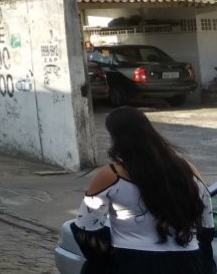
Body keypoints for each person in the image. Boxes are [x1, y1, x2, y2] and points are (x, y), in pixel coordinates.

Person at [72, 106, 214, 274]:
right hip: (187, 262)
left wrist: (108, 259)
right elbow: (206, 224)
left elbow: (85, 228)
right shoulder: (188, 170)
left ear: (116, 138)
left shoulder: (111, 175)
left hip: (132, 261)